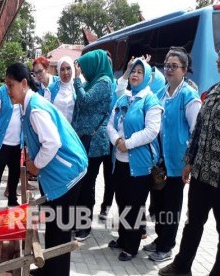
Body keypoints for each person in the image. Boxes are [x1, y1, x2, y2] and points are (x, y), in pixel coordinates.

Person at [6, 62, 88, 275]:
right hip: (59, 172)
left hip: (68, 171)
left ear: (24, 83)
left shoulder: (35, 109)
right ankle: (48, 269)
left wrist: (35, 166)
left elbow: (52, 143)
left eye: (10, 85)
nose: (8, 91)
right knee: (52, 223)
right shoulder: (28, 105)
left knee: (60, 230)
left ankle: (57, 272)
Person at [158, 49, 220, 276]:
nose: (218, 60)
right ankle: (181, 266)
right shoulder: (214, 91)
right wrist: (189, 162)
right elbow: (199, 132)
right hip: (202, 173)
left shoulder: (190, 94)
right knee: (193, 222)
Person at [143, 47, 201, 263]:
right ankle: (160, 238)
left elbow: (196, 130)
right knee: (158, 202)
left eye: (174, 66)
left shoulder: (188, 95)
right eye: (167, 65)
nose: (169, 69)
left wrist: (190, 161)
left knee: (172, 205)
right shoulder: (160, 94)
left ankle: (167, 245)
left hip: (177, 162)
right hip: (159, 161)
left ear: (184, 70)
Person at [106, 58, 163, 261]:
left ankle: (131, 246)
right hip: (119, 161)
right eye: (133, 71)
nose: (135, 75)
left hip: (139, 165)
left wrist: (127, 143)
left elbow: (151, 131)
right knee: (121, 202)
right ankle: (122, 238)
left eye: (140, 72)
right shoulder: (124, 99)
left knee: (135, 205)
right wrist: (116, 140)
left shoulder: (150, 101)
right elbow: (110, 125)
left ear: (146, 76)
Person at [72, 49, 113, 241]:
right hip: (82, 139)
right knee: (80, 181)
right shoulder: (93, 82)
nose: (83, 71)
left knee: (88, 183)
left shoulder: (104, 82)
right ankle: (77, 221)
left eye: (84, 67)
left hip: (94, 142)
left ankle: (84, 226)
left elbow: (85, 101)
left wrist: (77, 80)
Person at [44, 56, 76, 123]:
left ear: (72, 69)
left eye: (68, 68)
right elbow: (46, 113)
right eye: (62, 69)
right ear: (58, 71)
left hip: (74, 130)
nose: (65, 72)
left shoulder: (77, 87)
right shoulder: (50, 90)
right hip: (56, 129)